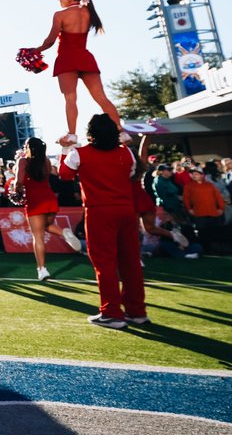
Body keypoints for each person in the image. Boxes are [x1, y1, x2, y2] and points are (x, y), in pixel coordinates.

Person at [58, 114, 147, 328]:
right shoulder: (126, 153)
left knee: (104, 263)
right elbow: (132, 174)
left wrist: (63, 149)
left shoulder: (78, 154)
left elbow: (64, 175)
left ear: (91, 133)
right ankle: (137, 312)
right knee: (131, 262)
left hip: (99, 212)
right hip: (126, 210)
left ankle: (111, 312)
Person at [31, 0, 125, 147]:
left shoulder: (60, 15)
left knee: (70, 99)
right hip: (85, 57)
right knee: (102, 98)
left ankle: (73, 135)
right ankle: (121, 131)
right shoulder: (88, 11)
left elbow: (50, 41)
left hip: (67, 59)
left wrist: (35, 50)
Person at [14, 138, 73, 280]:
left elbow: (19, 181)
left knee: (38, 236)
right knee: (46, 226)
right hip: (49, 198)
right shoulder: (46, 161)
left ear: (29, 148)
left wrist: (16, 189)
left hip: (35, 200)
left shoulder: (23, 162)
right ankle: (64, 232)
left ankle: (42, 269)